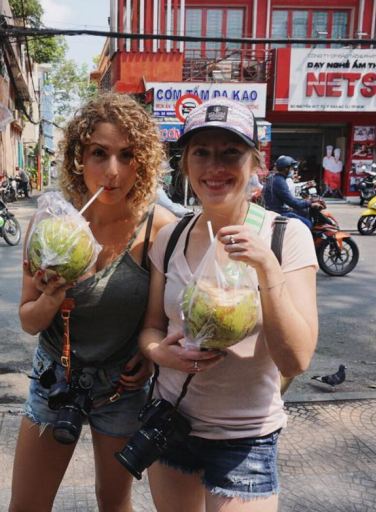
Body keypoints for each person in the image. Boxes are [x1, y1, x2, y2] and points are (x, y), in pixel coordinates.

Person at [139, 97, 319, 511]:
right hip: (171, 424)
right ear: (185, 165)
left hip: (245, 439)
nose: (214, 167)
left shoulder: (284, 237)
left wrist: (267, 270)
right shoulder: (170, 239)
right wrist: (156, 352)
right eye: (201, 153)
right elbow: (151, 328)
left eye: (231, 153)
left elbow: (295, 361)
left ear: (255, 164)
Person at [9, 93, 176, 512]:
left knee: (113, 501)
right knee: (27, 505)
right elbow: (30, 321)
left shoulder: (159, 228)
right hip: (55, 376)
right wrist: (52, 296)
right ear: (78, 159)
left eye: (127, 155)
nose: (112, 171)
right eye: (99, 154)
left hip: (122, 386)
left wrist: (150, 355)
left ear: (143, 162)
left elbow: (166, 318)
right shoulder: (50, 225)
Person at [263, 155, 316, 230]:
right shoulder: (280, 181)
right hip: (278, 213)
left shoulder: (275, 178)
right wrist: (310, 203)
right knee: (308, 224)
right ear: (285, 169)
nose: (292, 170)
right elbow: (293, 202)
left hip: (275, 210)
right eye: (291, 168)